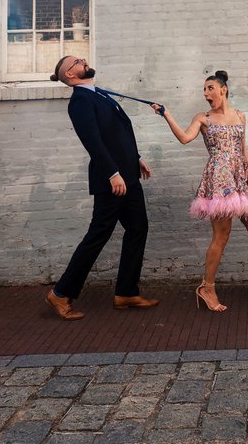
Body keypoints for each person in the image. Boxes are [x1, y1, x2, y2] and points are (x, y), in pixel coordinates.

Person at [152, 70, 248, 312]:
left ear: (223, 89)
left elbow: (243, 147)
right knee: (222, 235)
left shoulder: (240, 116)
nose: (206, 93)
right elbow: (184, 138)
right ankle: (206, 287)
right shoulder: (203, 118)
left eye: (210, 88)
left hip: (241, 177)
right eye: (204, 90)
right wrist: (166, 114)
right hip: (219, 179)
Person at [45, 56, 159, 320]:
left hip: (127, 174)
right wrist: (112, 173)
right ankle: (61, 293)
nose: (83, 60)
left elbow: (116, 133)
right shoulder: (80, 101)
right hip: (113, 181)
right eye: (76, 61)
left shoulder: (98, 94)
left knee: (138, 228)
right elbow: (93, 141)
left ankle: (126, 292)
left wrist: (136, 158)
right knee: (98, 235)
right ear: (70, 75)